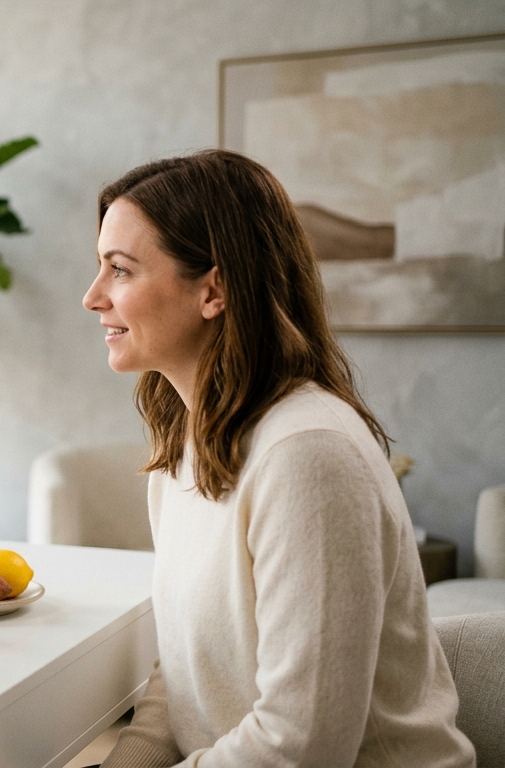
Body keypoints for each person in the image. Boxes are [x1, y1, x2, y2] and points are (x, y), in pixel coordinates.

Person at [82, 150, 475, 767]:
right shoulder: (185, 448)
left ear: (213, 290)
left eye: (120, 270)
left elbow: (303, 746)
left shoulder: (307, 456)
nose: (92, 297)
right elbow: (182, 675)